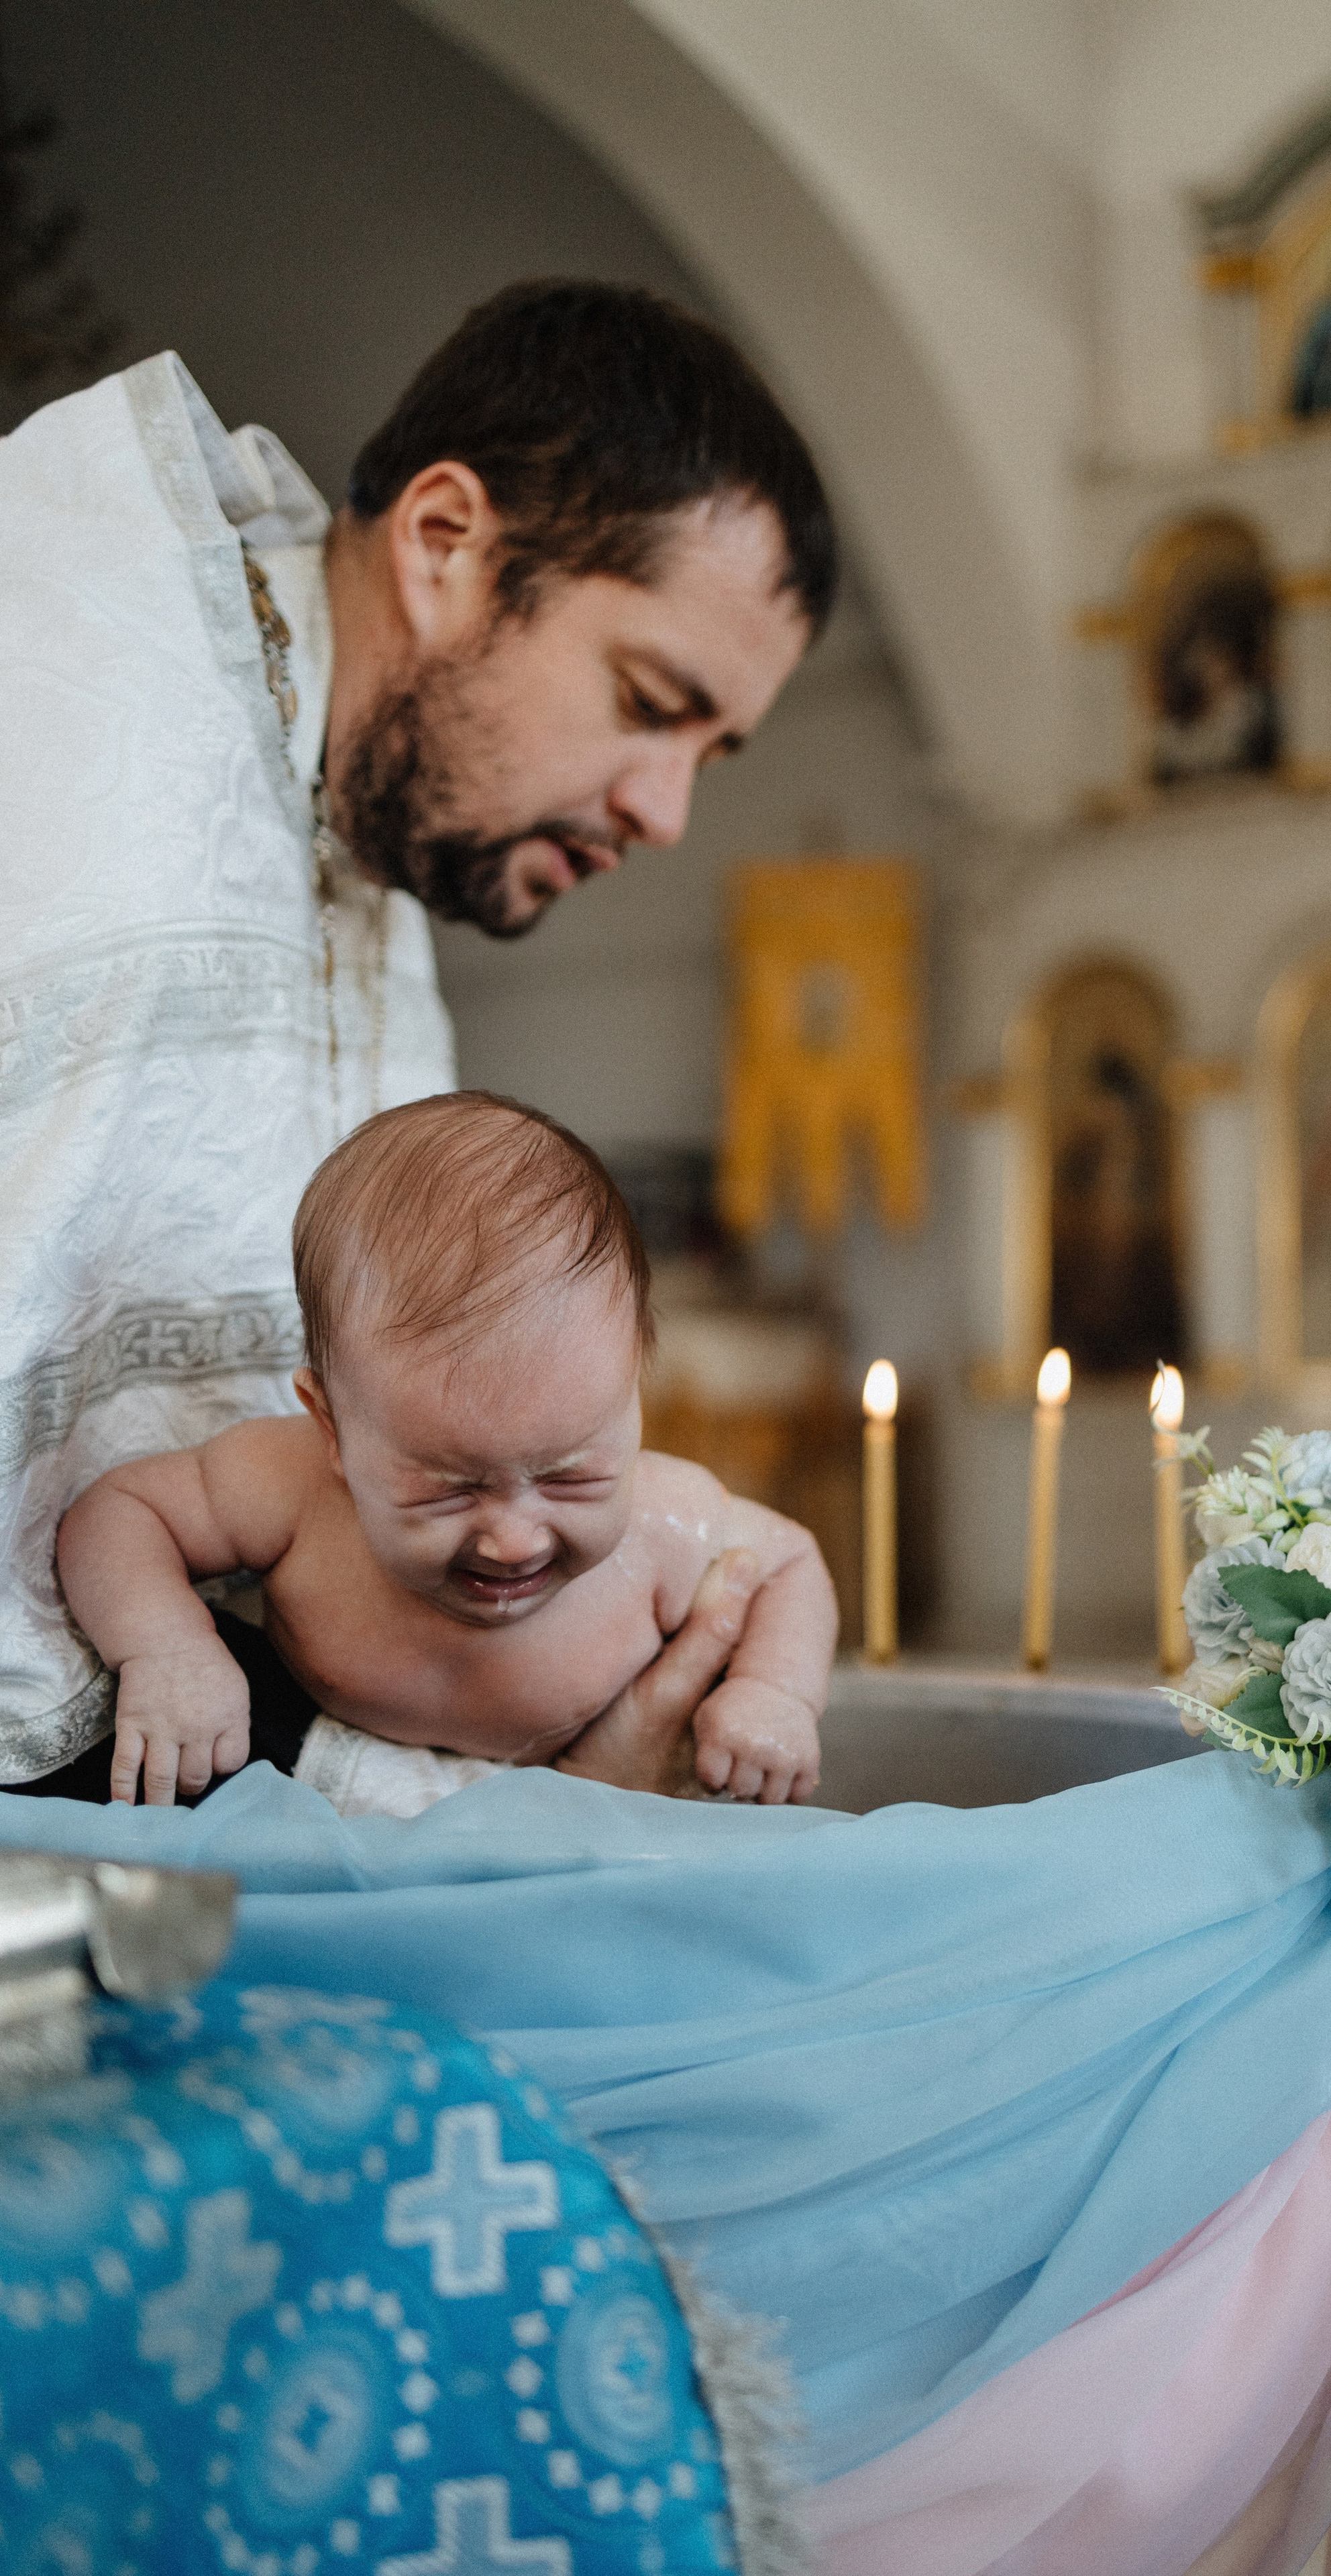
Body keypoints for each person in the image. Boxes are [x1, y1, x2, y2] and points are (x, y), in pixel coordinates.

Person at [0, 280, 835, 1794]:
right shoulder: (66, 729)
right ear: (446, 545)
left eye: (709, 751)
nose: (664, 812)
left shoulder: (344, 842)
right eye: (650, 702)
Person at [57, 1092, 835, 1810]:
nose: (514, 1537)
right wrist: (167, 1648)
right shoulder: (290, 1489)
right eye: (450, 1489)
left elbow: (790, 1563)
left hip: (603, 1813)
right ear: (331, 1428)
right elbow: (120, 1513)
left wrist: (775, 1692)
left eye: (570, 1477)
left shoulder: (667, 1523)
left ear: (631, 1399)